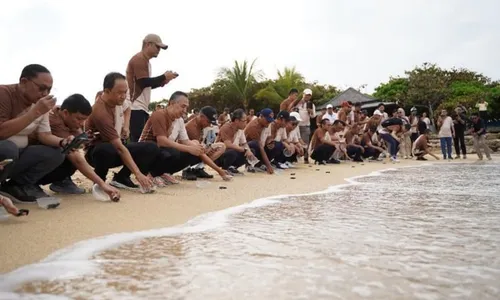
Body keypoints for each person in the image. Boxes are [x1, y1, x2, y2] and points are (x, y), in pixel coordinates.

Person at [0, 64, 72, 203]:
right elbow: (2, 132)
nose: (45, 94)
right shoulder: (4, 93)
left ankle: (16, 186)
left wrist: (62, 141)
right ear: (24, 82)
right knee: (8, 148)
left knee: (57, 153)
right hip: (5, 151)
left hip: (17, 155)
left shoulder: (40, 104)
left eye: (49, 90)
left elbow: (44, 135)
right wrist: (35, 112)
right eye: (41, 88)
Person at [35, 94, 120, 200]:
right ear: (65, 113)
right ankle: (28, 184)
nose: (81, 123)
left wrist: (83, 138)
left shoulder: (67, 115)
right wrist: (102, 184)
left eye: (84, 120)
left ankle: (61, 181)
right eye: (79, 119)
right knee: (64, 154)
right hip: (32, 157)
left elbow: (78, 140)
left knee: (71, 149)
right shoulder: (54, 120)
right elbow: (75, 157)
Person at [85, 72, 157, 193]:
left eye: (125, 92)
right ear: (107, 91)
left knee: (151, 148)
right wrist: (138, 175)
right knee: (104, 149)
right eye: (120, 92)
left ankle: (121, 178)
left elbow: (127, 108)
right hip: (97, 153)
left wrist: (126, 126)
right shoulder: (100, 112)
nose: (123, 96)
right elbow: (119, 148)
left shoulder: (118, 100)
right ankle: (99, 181)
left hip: (116, 146)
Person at [139, 91, 232, 182]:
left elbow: (185, 141)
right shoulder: (160, 114)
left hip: (163, 150)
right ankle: (153, 174)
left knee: (193, 146)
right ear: (171, 103)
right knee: (177, 151)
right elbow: (162, 141)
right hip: (148, 152)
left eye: (186, 107)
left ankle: (163, 172)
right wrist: (190, 148)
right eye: (183, 106)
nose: (185, 111)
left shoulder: (178, 119)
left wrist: (197, 147)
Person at [127, 34, 178, 142]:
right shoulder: (139, 59)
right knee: (139, 142)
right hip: (135, 107)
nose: (159, 50)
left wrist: (162, 82)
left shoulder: (145, 61)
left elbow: (145, 85)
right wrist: (163, 77)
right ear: (148, 44)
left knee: (142, 141)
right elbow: (143, 82)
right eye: (157, 47)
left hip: (140, 107)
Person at [184, 106, 227, 179]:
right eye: (208, 122)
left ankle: (198, 168)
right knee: (197, 145)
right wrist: (219, 171)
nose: (209, 125)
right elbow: (199, 151)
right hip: (185, 155)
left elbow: (200, 146)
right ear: (202, 116)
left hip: (196, 150)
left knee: (221, 146)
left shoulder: (201, 125)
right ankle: (186, 170)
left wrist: (207, 148)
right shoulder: (192, 128)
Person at [216, 109, 256, 175]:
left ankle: (233, 167)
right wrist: (245, 150)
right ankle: (225, 168)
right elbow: (228, 145)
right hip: (220, 155)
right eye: (244, 121)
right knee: (232, 152)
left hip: (232, 152)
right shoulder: (226, 127)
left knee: (251, 151)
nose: (246, 123)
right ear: (237, 120)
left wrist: (249, 151)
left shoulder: (240, 129)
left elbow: (244, 143)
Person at [244, 108, 275, 174]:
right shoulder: (254, 126)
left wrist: (270, 142)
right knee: (254, 144)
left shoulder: (266, 124)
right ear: (261, 117)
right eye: (267, 121)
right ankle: (249, 164)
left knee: (276, 144)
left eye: (270, 121)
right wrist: (268, 165)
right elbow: (260, 146)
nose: (268, 123)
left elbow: (269, 137)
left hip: (261, 145)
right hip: (247, 148)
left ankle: (260, 164)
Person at [293, 89, 315, 164]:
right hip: (296, 125)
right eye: (306, 95)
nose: (307, 96)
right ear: (303, 94)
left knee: (305, 142)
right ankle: (294, 158)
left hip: (306, 125)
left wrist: (311, 111)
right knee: (295, 141)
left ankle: (306, 158)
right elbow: (292, 110)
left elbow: (313, 116)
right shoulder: (297, 102)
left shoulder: (311, 104)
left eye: (309, 95)